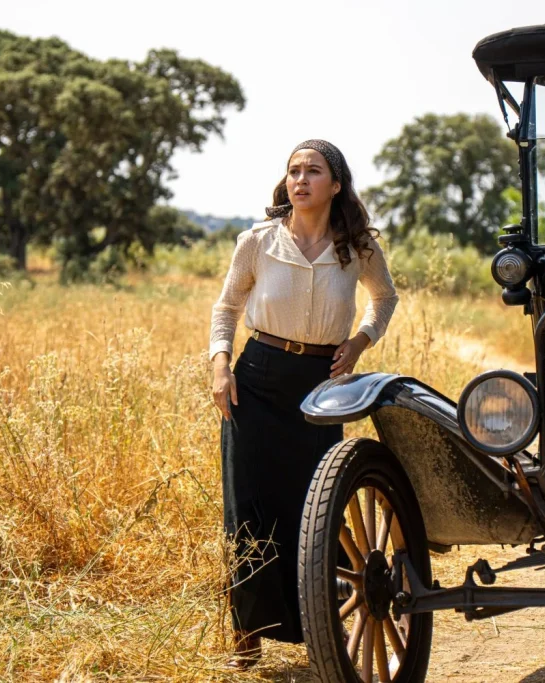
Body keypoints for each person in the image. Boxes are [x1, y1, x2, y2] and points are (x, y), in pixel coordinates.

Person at [208, 139, 399, 668]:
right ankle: (247, 635)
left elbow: (385, 299)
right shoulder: (258, 241)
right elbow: (226, 308)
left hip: (322, 385)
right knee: (248, 507)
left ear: (335, 185)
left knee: (315, 510)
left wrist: (359, 342)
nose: (300, 179)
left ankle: (322, 631)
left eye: (313, 171)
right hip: (257, 380)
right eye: (294, 170)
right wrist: (220, 363)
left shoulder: (356, 246)